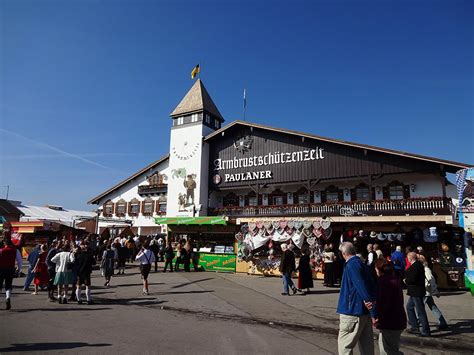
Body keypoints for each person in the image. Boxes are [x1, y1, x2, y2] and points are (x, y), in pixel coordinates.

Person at [337, 242, 377, 355]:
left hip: (352, 311)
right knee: (367, 347)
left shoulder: (352, 265)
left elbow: (362, 287)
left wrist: (373, 311)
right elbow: (370, 286)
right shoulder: (360, 263)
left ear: (344, 253)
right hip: (362, 312)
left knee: (345, 346)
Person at [374, 258, 407, 355]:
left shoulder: (383, 282)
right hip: (398, 318)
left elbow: (384, 303)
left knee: (388, 350)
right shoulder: (395, 279)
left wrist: (376, 315)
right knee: (388, 348)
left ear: (378, 269)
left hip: (389, 320)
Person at [418, 255, 448, 330]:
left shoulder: (426, 270)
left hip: (426, 292)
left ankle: (417, 321)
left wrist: (435, 291)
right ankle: (443, 323)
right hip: (427, 292)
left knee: (420, 308)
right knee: (433, 307)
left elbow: (431, 281)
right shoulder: (424, 269)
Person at [405, 252, 431, 337]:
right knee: (409, 307)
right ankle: (415, 326)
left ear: (411, 258)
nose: (407, 259)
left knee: (420, 311)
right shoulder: (416, 265)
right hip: (414, 291)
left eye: (408, 257)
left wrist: (406, 280)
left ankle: (425, 330)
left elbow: (413, 278)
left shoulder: (416, 265)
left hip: (416, 291)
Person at [0, 238, 23, 310]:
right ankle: (8, 298)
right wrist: (19, 270)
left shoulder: (1, 250)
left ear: (5, 244)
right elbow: (19, 261)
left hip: (1, 270)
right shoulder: (16, 251)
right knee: (8, 285)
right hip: (10, 270)